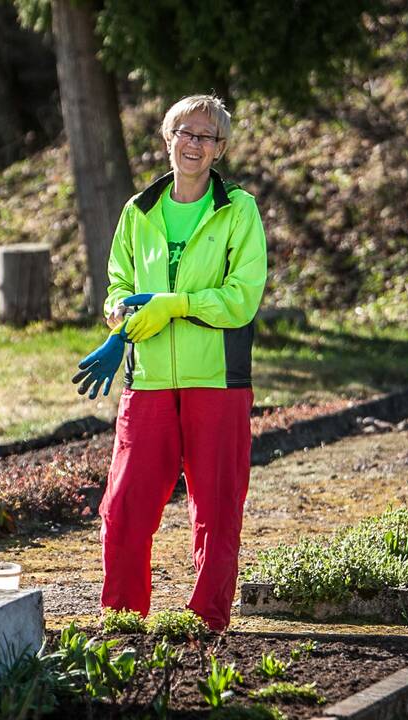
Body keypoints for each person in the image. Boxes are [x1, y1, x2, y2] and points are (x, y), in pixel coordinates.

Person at [92, 94, 267, 632]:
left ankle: (206, 624)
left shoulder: (238, 209)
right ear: (168, 139)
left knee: (215, 511)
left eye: (207, 137)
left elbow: (242, 298)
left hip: (216, 382)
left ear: (220, 150)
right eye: (186, 133)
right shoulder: (137, 211)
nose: (195, 144)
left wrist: (177, 305)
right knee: (123, 509)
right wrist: (119, 316)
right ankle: (122, 621)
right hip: (145, 383)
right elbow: (118, 284)